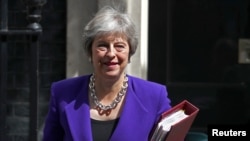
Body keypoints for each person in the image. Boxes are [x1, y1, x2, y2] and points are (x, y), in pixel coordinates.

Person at [42, 6, 171, 141]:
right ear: (90, 51)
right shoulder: (62, 93)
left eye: (119, 46)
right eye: (102, 45)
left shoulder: (155, 96)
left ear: (130, 52)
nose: (111, 53)